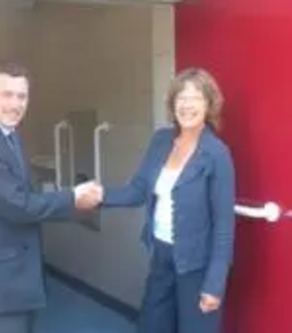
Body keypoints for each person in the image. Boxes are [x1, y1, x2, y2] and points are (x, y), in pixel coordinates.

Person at [83, 67, 236, 333]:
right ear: (172, 104)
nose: (187, 105)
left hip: (196, 265)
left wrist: (215, 284)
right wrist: (101, 195)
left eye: (195, 98)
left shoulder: (217, 154)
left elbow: (224, 226)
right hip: (162, 257)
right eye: (181, 98)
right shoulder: (161, 140)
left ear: (209, 104)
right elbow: (139, 189)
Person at [0, 60, 98, 333]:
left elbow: (26, 195)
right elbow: (18, 205)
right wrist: (72, 197)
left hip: (17, 281)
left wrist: (73, 201)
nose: (16, 104)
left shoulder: (9, 136)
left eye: (22, 96)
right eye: (6, 94)